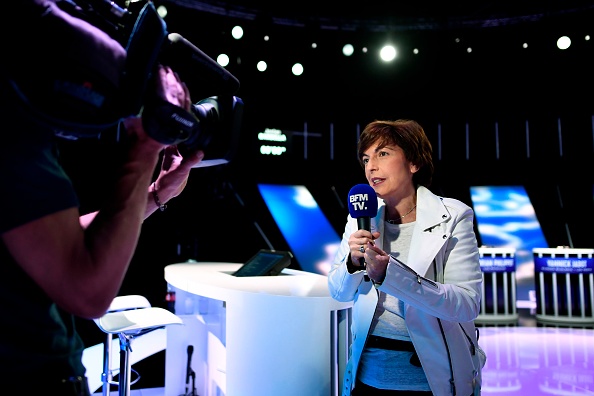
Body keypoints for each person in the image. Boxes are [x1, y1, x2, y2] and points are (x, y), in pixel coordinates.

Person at [0, 1, 204, 394]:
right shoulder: (8, 131)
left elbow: (53, 240)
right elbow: (88, 291)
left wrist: (155, 194)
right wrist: (145, 146)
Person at [328, 119, 486, 396]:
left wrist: (390, 275)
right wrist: (352, 264)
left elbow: (466, 304)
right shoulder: (360, 221)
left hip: (430, 381)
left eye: (383, 153)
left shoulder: (454, 217)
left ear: (413, 163)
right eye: (366, 158)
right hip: (368, 378)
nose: (371, 166)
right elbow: (338, 292)